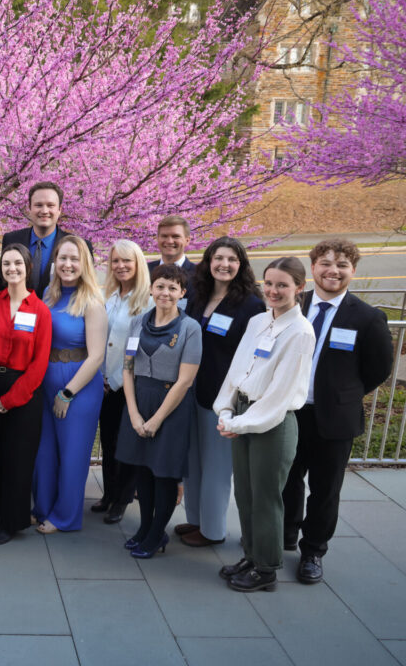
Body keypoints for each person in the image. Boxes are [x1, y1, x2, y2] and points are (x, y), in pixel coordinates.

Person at [283, 239, 393, 585]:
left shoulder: (367, 317)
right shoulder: (290, 305)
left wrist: (344, 394)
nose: (333, 270)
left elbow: (378, 369)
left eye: (342, 265)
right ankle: (285, 533)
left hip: (334, 418)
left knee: (325, 488)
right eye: (326, 263)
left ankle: (313, 550)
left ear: (353, 272)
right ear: (312, 267)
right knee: (286, 479)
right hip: (290, 412)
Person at [215, 257, 316, 592]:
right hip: (243, 415)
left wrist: (241, 424)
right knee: (245, 494)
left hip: (271, 424)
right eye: (269, 283)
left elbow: (280, 393)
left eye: (282, 285)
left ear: (299, 288)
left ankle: (267, 569)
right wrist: (226, 410)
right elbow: (238, 369)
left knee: (266, 498)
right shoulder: (259, 321)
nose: (273, 291)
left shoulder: (300, 332)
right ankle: (252, 554)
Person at [176, 237, 264, 547]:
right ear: (208, 261)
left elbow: (255, 356)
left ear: (241, 265)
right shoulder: (198, 295)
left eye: (231, 259)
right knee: (193, 461)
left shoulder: (252, 304)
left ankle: (213, 531)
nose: (224, 264)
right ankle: (196, 519)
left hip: (222, 397)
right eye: (218, 258)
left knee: (216, 464)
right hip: (190, 390)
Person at [116, 264, 201, 558]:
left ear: (182, 292)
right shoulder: (138, 322)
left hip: (171, 406)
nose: (165, 293)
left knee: (163, 473)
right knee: (142, 469)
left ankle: (156, 534)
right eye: (160, 286)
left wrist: (156, 419)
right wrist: (134, 413)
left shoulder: (190, 328)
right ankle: (144, 527)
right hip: (139, 400)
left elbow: (186, 379)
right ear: (151, 289)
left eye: (172, 288)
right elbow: (127, 369)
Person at [0, 244, 51, 544]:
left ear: (27, 268)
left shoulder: (39, 310)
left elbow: (39, 362)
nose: (12, 268)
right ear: (0, 268)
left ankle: (11, 520)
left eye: (18, 263)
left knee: (18, 458)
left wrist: (10, 399)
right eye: (6, 264)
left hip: (24, 393)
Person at [32, 236, 107, 534]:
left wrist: (68, 392)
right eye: (62, 258)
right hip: (45, 383)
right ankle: (42, 508)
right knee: (44, 452)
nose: (68, 264)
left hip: (77, 388)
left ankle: (65, 517)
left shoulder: (91, 303)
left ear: (84, 263)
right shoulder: (47, 298)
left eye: (74, 259)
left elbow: (97, 355)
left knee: (73, 454)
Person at [93, 240, 153, 524]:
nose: (121, 266)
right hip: (104, 382)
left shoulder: (147, 302)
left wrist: (115, 378)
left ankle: (122, 498)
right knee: (107, 440)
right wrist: (102, 376)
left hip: (127, 384)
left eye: (127, 261)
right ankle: (108, 493)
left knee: (125, 443)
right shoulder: (110, 296)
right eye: (116, 261)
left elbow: (140, 348)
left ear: (137, 264)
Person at [1, 182, 90, 298]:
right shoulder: (11, 240)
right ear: (29, 208)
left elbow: (87, 290)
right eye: (38, 205)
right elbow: (3, 286)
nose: (44, 211)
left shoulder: (79, 246)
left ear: (59, 209)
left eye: (50, 205)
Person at [147, 216, 197, 308]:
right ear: (157, 239)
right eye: (164, 236)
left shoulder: (199, 275)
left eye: (176, 236)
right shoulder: (144, 271)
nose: (169, 241)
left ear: (187, 240)